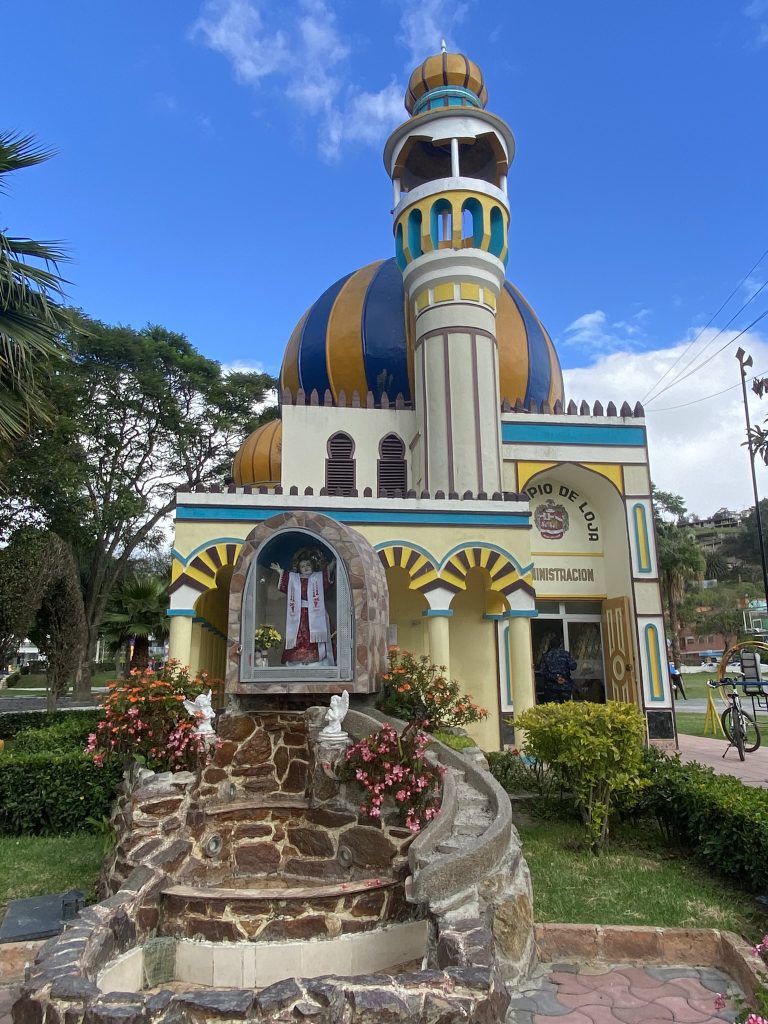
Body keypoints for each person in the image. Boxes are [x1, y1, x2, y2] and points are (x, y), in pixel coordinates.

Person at [271, 548, 336, 666]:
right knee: (300, 636)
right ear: (298, 568)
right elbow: (287, 578)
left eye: (308, 565)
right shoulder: (294, 579)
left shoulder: (317, 578)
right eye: (303, 566)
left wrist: (332, 564)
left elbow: (326, 575)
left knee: (312, 636)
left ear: (313, 565)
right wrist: (279, 570)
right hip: (298, 614)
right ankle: (298, 659)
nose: (306, 568)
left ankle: (315, 658)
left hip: (316, 613)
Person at [539, 639, 577, 703]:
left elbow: (543, 672)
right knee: (566, 709)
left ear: (550, 646)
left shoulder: (546, 656)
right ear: (560, 645)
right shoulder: (566, 654)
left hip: (551, 687)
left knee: (552, 710)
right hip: (565, 686)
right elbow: (573, 666)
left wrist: (556, 678)